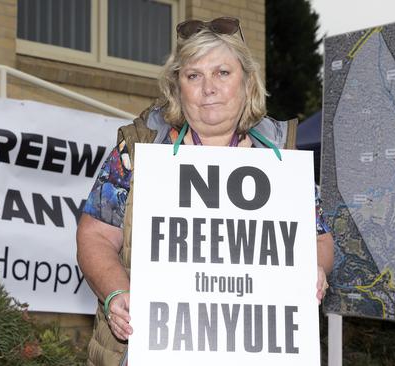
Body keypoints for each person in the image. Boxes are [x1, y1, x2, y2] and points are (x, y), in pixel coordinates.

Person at [76, 16, 334, 366]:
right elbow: (95, 236)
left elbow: (319, 239)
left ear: (247, 81)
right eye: (193, 75)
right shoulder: (139, 149)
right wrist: (116, 292)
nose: (208, 87)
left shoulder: (281, 156)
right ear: (177, 87)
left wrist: (315, 268)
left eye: (222, 73)